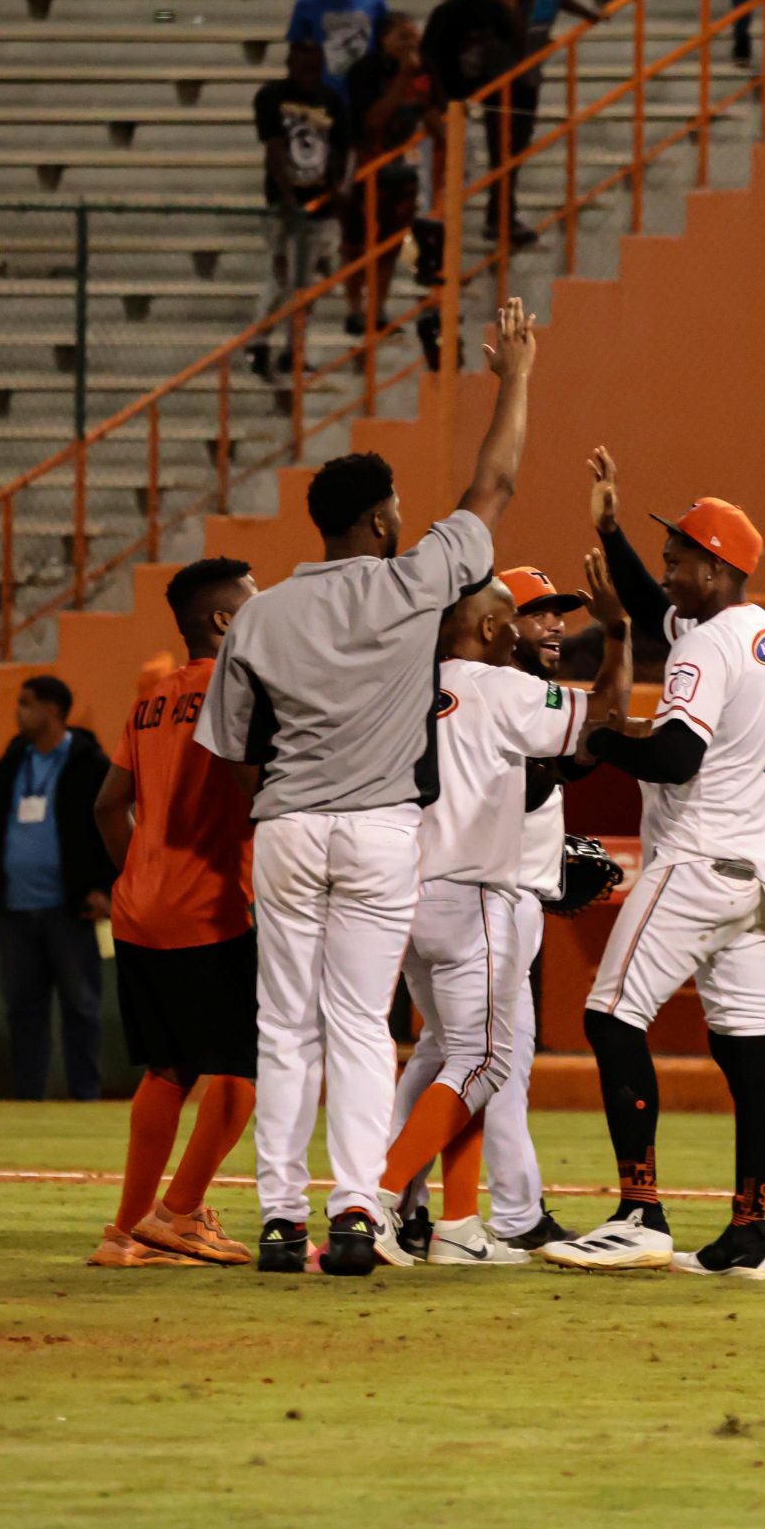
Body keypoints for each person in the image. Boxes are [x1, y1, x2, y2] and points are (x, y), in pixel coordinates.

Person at [195, 297, 534, 1276]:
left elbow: (231, 750)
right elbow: (495, 483)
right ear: (382, 519)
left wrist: (275, 804)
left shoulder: (259, 616)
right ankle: (352, 1209)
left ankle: (277, 1218)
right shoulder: (414, 581)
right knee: (358, 1024)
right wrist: (515, 378)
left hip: (289, 827)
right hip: (382, 828)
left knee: (284, 1026)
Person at [538, 496, 765, 1281]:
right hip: (758, 874)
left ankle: (640, 1212)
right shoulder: (761, 629)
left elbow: (678, 757)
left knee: (610, 1016)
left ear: (715, 569)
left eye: (678, 559)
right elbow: (661, 614)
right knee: (746, 1044)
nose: (667, 572)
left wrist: (607, 739)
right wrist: (611, 534)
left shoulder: (707, 645)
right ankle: (748, 1232)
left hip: (698, 859)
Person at [366, 576, 612, 1269]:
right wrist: (621, 635)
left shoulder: (405, 684)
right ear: (486, 626)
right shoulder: (501, 686)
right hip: (477, 891)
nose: (542, 627)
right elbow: (602, 718)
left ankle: (455, 1220)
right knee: (486, 1060)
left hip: (410, 890)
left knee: (453, 1053)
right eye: (521, 617)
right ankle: (379, 1198)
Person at [85, 559, 261, 1267]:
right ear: (224, 619)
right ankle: (181, 1213)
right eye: (254, 600)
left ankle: (126, 1233)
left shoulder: (151, 699)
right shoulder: (240, 689)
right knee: (248, 1066)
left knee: (169, 1067)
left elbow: (107, 806)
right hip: (213, 906)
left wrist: (140, 871)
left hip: (140, 909)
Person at [0, 675, 116, 1103]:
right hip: (15, 912)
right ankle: (28, 1101)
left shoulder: (89, 765)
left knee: (81, 1007)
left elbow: (114, 828)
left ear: (52, 710)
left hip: (71, 910)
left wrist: (106, 889)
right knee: (23, 1010)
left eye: (26, 704)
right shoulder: (11, 763)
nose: (18, 712)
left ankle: (85, 1099)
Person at [248, 37, 354, 383]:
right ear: (290, 66)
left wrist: (338, 187)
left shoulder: (331, 99)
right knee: (283, 278)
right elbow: (274, 149)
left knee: (306, 284)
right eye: (303, 68)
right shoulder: (272, 97)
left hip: (320, 205)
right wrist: (288, 198)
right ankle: (261, 343)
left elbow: (341, 148)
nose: (310, 75)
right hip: (285, 206)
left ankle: (291, 351)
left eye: (315, 68)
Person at [341, 10, 442, 336]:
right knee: (358, 244)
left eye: (414, 37)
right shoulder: (365, 70)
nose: (410, 44)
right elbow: (372, 121)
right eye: (402, 37)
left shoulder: (426, 67)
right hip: (366, 167)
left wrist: (444, 133)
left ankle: (378, 310)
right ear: (384, 39)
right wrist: (402, 77)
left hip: (404, 169)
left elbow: (431, 109)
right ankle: (354, 309)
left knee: (391, 245)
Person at [422, 0, 528, 245]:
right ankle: (434, 238)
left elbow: (519, 45)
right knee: (442, 173)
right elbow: (429, 57)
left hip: (482, 91)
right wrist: (440, 100)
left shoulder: (495, 9)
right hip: (449, 96)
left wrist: (511, 7)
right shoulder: (449, 11)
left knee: (500, 152)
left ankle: (499, 215)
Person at [500, 0, 601, 204]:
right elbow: (503, 0)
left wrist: (589, 13)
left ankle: (504, 209)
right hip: (508, 65)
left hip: (532, 64)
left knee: (521, 140)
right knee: (506, 144)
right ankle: (501, 211)